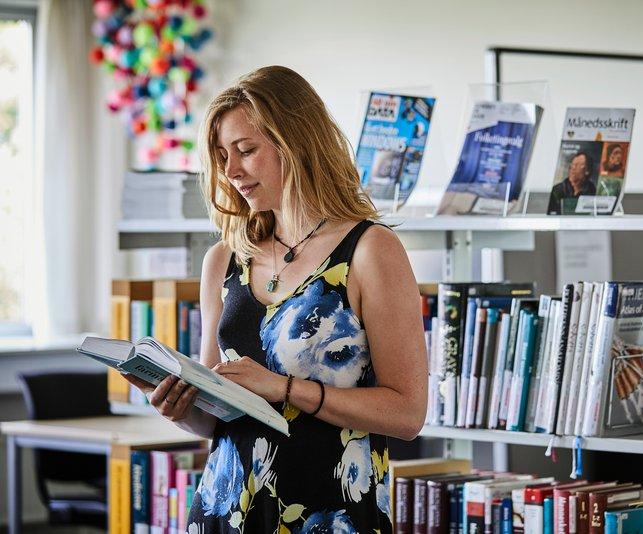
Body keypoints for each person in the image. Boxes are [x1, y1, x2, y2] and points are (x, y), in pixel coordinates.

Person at [124, 66, 428, 533]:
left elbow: (407, 414)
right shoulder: (223, 258)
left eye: (246, 150)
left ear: (297, 142)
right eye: (222, 156)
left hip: (330, 516)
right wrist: (181, 410)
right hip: (225, 515)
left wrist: (283, 388)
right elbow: (216, 420)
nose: (231, 171)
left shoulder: (371, 250)